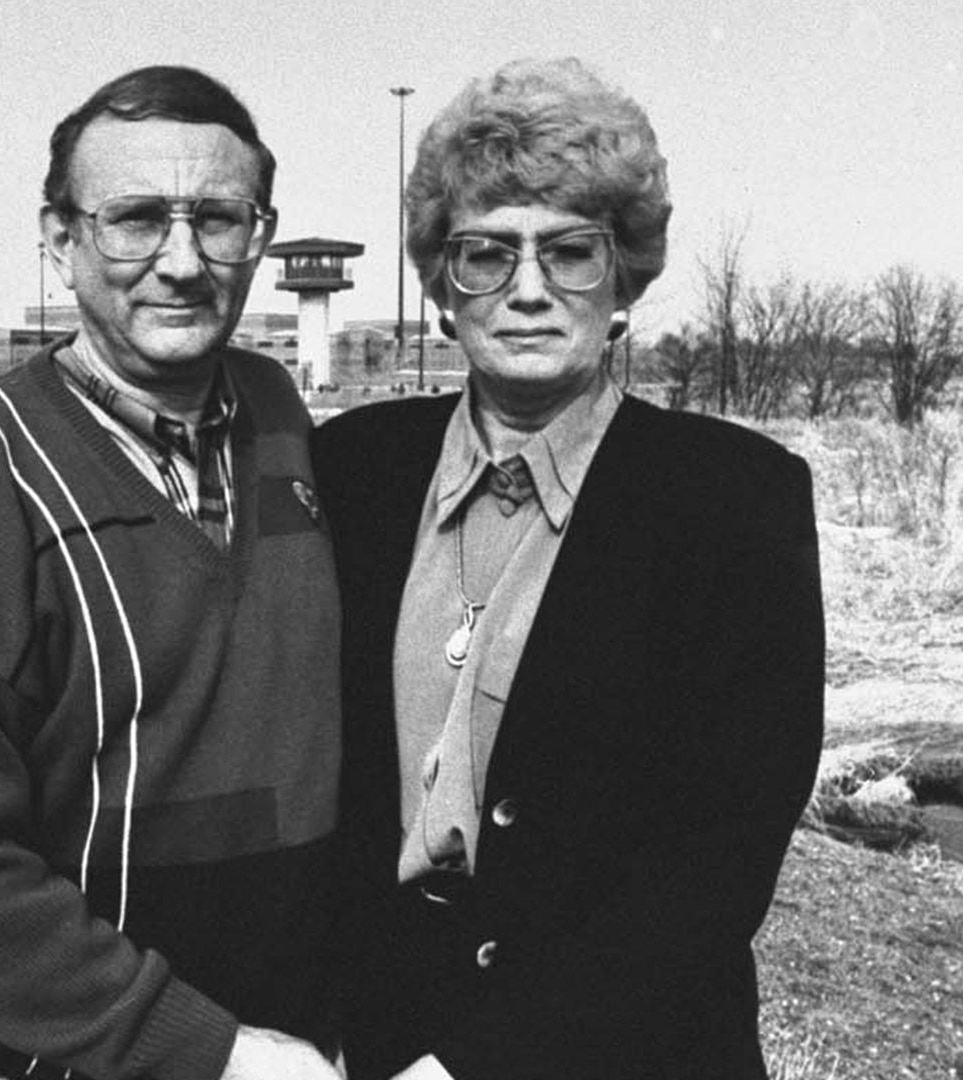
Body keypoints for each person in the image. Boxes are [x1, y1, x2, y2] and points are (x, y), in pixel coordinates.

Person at [314, 58, 824, 1080]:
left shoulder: (734, 501)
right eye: (488, 255)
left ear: (622, 273)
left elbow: (714, 866)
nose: (530, 291)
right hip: (378, 1040)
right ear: (441, 280)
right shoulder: (353, 470)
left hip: (625, 1049)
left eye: (570, 253)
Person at [0, 66, 343, 1080]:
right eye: (136, 219)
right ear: (61, 240)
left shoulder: (279, 423)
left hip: (283, 1042)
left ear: (263, 232)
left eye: (218, 218)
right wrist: (206, 1053)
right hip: (54, 1056)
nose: (182, 259)